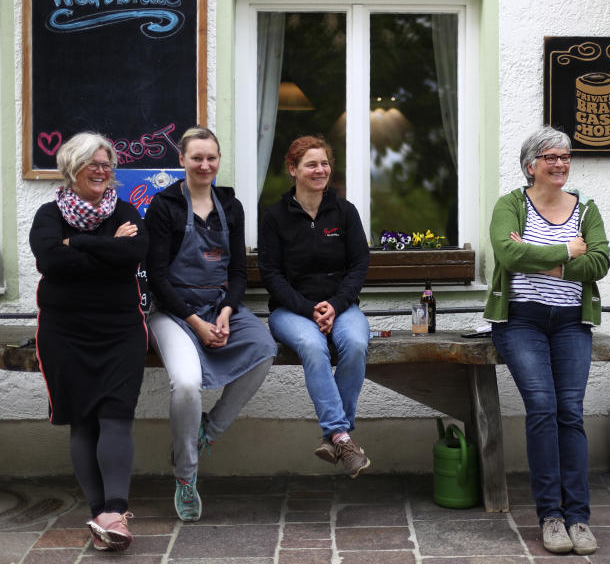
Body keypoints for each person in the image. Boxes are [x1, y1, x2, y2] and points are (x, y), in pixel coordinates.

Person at [484, 126, 610, 555]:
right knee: (543, 409)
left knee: (570, 413)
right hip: (521, 321)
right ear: (530, 165)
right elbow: (506, 254)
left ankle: (579, 517)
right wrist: (564, 252)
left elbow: (600, 261)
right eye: (550, 157)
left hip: (572, 321)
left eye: (565, 156)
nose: (560, 164)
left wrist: (545, 264)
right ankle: (551, 518)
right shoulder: (511, 205)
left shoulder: (586, 207)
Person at [144, 126, 276, 521]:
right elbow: (157, 276)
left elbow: (238, 271)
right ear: (182, 160)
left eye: (211, 158)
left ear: (219, 161)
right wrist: (195, 323)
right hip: (172, 311)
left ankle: (209, 431)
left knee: (264, 349)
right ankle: (186, 478)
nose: (205, 165)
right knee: (186, 384)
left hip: (218, 306)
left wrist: (226, 312)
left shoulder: (230, 207)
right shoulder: (164, 206)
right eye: (197, 157)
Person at [29, 132, 148, 552]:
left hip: (120, 329)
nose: (101, 171)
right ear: (71, 169)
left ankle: (114, 513)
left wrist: (77, 244)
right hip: (65, 331)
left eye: (106, 164)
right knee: (82, 419)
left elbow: (132, 256)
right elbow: (49, 260)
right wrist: (106, 247)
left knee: (116, 415)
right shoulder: (48, 214)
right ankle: (101, 515)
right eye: (92, 164)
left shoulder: (127, 210)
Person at [258, 135, 372, 477]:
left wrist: (335, 306)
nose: (320, 170)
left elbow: (359, 265)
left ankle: (334, 434)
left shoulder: (345, 212)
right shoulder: (275, 217)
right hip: (291, 312)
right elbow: (271, 274)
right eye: (311, 164)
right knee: (312, 345)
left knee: (354, 343)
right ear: (293, 169)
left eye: (324, 163)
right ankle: (343, 436)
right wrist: (311, 310)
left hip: (342, 307)